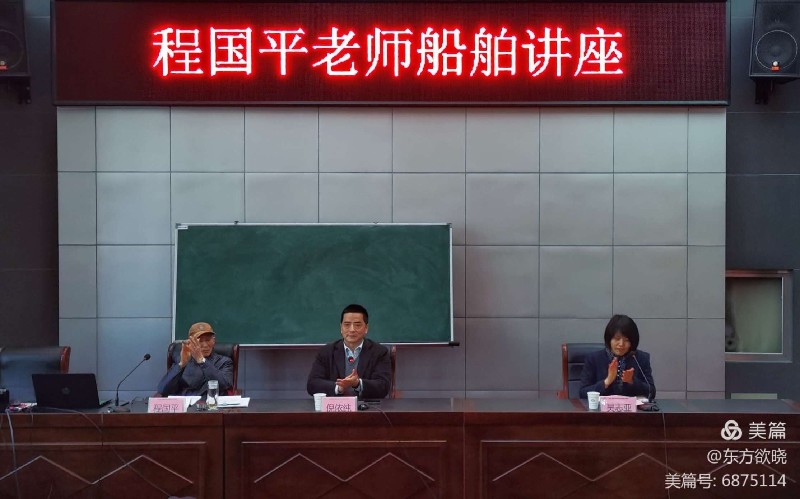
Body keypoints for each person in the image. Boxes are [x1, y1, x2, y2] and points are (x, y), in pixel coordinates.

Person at [307, 304, 392, 399]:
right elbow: (312, 384)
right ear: (341, 328)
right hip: (335, 406)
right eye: (347, 325)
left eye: (357, 325)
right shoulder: (326, 352)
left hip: (366, 406)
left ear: (366, 328)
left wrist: (358, 383)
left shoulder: (379, 352)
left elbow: (383, 386)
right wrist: (339, 387)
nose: (352, 330)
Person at [579, 314, 656, 400]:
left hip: (632, 408)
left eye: (626, 340)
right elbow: (582, 393)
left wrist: (632, 381)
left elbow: (652, 392)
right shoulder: (593, 359)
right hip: (602, 408)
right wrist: (607, 381)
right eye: (617, 338)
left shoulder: (640, 358)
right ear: (609, 339)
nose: (621, 344)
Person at [156, 322, 233, 396]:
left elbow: (224, 385)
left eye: (208, 340)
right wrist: (181, 365)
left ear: (213, 340)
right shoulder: (181, 360)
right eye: (200, 341)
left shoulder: (224, 361)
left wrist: (202, 361)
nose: (205, 345)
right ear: (190, 343)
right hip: (186, 403)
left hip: (210, 403)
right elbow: (163, 390)